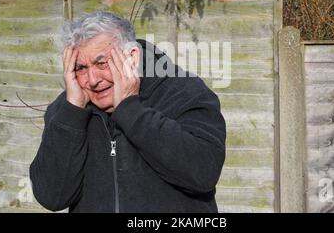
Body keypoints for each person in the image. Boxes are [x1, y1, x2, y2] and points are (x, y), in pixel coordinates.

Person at [29, 11, 226, 212]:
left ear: (132, 57)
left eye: (101, 63)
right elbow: (51, 197)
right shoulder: (68, 109)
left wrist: (130, 110)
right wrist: (71, 113)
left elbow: (203, 173)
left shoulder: (183, 92)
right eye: (80, 68)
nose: (93, 79)